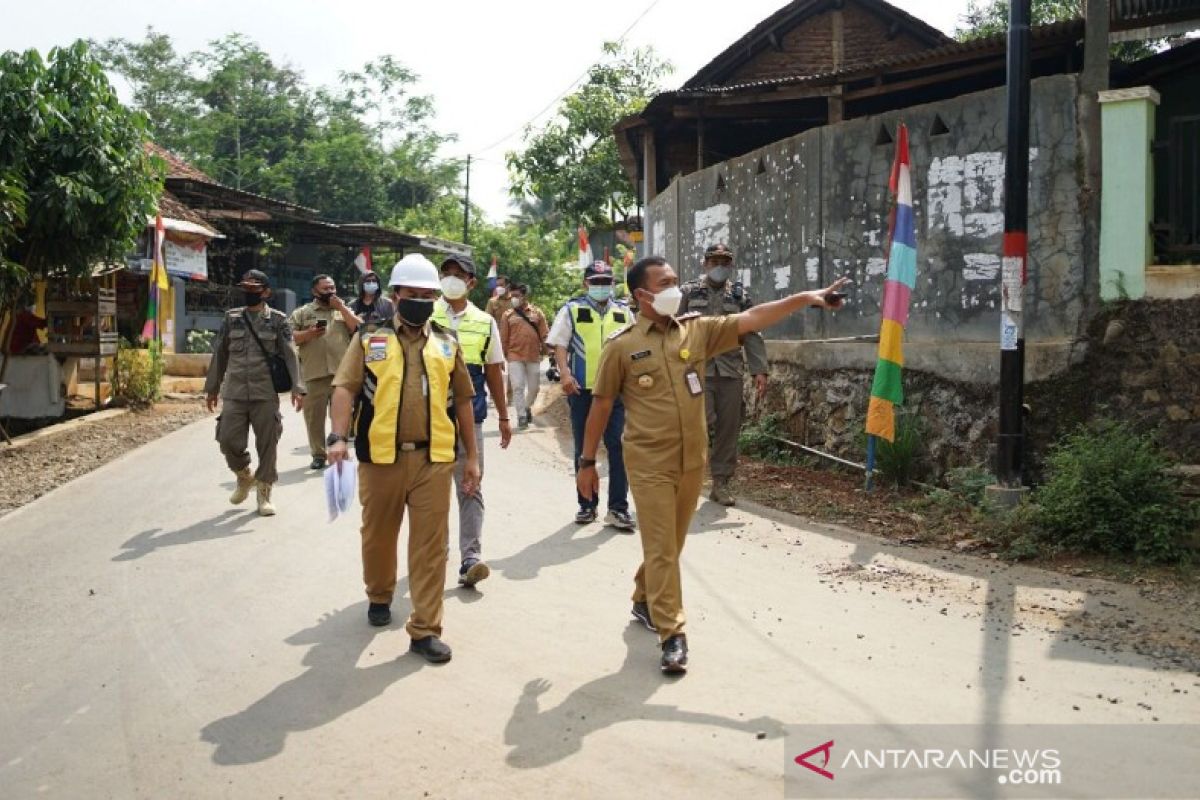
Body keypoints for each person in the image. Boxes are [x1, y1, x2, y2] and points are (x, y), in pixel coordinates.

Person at [577, 255, 847, 674]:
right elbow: (602, 404)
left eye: (675, 281)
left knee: (672, 543)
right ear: (642, 295)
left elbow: (753, 317)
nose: (676, 288)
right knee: (664, 548)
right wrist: (587, 462)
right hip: (647, 461)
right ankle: (673, 634)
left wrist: (806, 298)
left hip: (691, 460)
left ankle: (643, 598)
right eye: (665, 282)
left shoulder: (697, 331)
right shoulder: (622, 346)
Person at [327, 253, 480, 663]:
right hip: (381, 459)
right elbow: (344, 388)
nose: (421, 301)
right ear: (395, 296)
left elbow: (463, 400)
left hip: (433, 460)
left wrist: (472, 459)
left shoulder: (447, 342)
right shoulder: (369, 339)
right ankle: (379, 594)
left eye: (429, 295)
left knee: (431, 547)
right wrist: (337, 437)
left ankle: (426, 629)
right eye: (413, 294)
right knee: (378, 537)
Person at [432, 255, 513, 588]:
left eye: (459, 274)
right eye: (446, 273)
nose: (451, 278)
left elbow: (493, 370)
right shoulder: (426, 313)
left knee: (470, 486)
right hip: (429, 418)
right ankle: (435, 552)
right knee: (431, 491)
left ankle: (470, 558)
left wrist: (504, 416)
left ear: (472, 283)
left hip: (471, 419)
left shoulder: (484, 322)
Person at [204, 270, 305, 517]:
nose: (249, 293)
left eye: (254, 289)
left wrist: (298, 387)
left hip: (264, 393)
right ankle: (244, 476)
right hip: (235, 391)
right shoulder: (231, 318)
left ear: (266, 292)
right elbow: (220, 354)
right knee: (227, 439)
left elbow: (290, 354)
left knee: (268, 444)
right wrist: (212, 387)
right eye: (245, 288)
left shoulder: (279, 320)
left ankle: (264, 492)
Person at [546, 261, 634, 531]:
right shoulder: (572, 310)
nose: (600, 286)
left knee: (618, 445)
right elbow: (559, 344)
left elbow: (634, 346)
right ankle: (587, 505)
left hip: (615, 391)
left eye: (605, 281)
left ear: (613, 283)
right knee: (584, 447)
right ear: (586, 284)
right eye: (595, 281)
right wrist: (565, 374)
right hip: (582, 389)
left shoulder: (623, 311)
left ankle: (618, 508)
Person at [680, 243, 769, 506]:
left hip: (730, 370)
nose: (719, 266)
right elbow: (672, 328)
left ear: (730, 265)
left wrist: (759, 369)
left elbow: (753, 330)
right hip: (696, 370)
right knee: (700, 423)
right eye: (714, 261)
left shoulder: (740, 296)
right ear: (705, 264)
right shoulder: (687, 292)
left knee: (729, 428)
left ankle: (721, 483)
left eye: (725, 262)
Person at [289, 274, 359, 470]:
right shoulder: (303, 313)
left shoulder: (342, 309)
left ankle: (340, 449)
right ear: (314, 291)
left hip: (341, 375)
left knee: (344, 416)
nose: (330, 292)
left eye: (332, 288)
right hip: (314, 374)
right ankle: (318, 454)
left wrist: (342, 308)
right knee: (314, 419)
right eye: (326, 289)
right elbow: (289, 336)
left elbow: (358, 327)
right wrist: (308, 334)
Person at [499, 284, 549, 429]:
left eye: (516, 296)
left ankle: (527, 407)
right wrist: (502, 357)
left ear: (524, 296)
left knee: (534, 388)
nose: (513, 299)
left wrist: (549, 351)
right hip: (514, 356)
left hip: (533, 355)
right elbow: (503, 338)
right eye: (511, 296)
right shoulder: (507, 315)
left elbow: (544, 334)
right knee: (518, 387)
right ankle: (521, 416)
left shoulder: (537, 313)